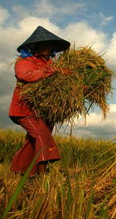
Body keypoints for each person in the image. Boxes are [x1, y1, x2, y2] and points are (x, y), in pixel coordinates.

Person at [8, 26, 71, 177]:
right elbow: (25, 75)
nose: (50, 49)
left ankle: (21, 171)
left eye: (51, 46)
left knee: (33, 141)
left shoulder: (49, 63)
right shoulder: (25, 61)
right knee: (42, 136)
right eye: (46, 45)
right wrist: (53, 72)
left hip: (41, 111)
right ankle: (43, 176)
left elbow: (59, 81)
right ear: (36, 46)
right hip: (24, 109)